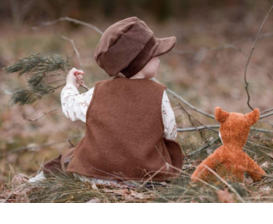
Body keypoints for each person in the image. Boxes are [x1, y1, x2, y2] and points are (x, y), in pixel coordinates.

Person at [29, 17, 184, 186]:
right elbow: (170, 132)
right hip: (144, 176)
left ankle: (40, 179)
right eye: (155, 55)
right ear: (140, 62)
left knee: (70, 157)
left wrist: (70, 86)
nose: (160, 59)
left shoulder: (97, 92)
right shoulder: (158, 94)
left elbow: (70, 108)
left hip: (96, 174)